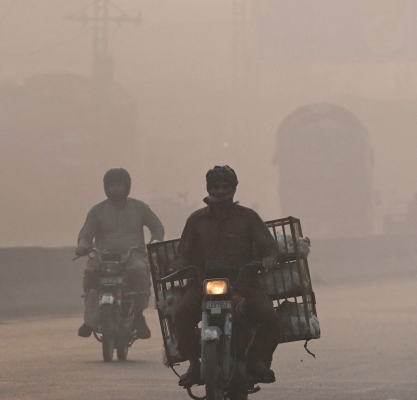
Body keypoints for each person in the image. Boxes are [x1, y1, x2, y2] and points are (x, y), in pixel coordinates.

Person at [171, 166, 282, 388]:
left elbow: (269, 248)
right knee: (180, 316)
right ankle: (194, 364)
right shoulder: (196, 220)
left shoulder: (248, 217)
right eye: (215, 187)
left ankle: (258, 361)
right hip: (203, 284)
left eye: (225, 186)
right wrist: (181, 266)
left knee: (270, 318)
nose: (220, 191)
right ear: (208, 188)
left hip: (244, 282)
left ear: (233, 188)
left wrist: (269, 258)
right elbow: (182, 253)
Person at [76, 168, 164, 339]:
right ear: (106, 188)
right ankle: (90, 319)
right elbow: (86, 235)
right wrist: (82, 246)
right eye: (111, 186)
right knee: (90, 274)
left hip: (133, 256)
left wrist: (155, 243)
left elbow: (157, 228)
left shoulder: (140, 208)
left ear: (127, 187)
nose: (115, 189)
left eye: (119, 185)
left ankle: (138, 317)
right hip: (103, 257)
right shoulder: (97, 211)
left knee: (139, 271)